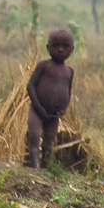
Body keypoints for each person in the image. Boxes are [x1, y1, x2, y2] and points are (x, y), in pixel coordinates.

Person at [26, 28, 76, 169]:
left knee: (48, 143)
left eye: (65, 47)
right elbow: (30, 86)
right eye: (55, 46)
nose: (60, 50)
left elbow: (68, 92)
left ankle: (45, 169)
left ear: (72, 49)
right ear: (48, 47)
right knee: (34, 137)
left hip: (54, 116)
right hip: (37, 111)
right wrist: (39, 107)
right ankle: (34, 167)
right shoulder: (44, 65)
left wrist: (63, 110)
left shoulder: (69, 71)